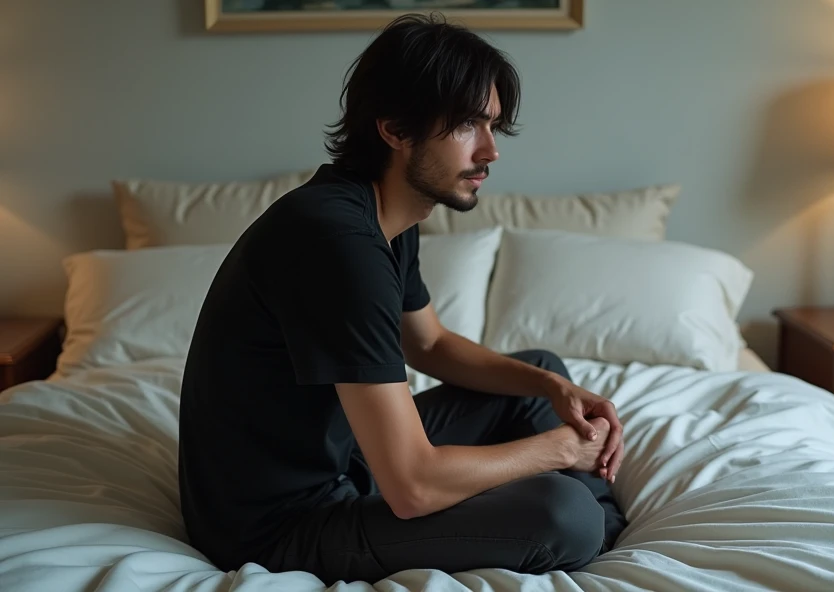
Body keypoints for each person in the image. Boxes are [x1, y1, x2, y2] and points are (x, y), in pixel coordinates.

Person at [176, 12, 628, 586]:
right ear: (394, 127)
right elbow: (412, 486)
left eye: (493, 126)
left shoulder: (387, 212)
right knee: (563, 515)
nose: (491, 151)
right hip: (280, 526)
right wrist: (559, 452)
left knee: (539, 372)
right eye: (468, 125)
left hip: (347, 460)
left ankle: (599, 516)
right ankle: (596, 520)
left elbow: (429, 342)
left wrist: (551, 391)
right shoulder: (337, 241)